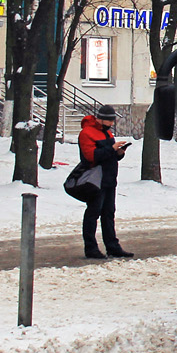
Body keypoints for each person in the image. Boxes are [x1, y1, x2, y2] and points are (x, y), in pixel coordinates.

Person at [78, 104, 133, 259]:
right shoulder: (86, 133)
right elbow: (91, 156)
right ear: (101, 120)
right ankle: (91, 248)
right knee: (93, 213)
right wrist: (112, 148)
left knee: (108, 214)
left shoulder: (107, 134)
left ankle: (112, 246)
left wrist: (119, 153)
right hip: (95, 181)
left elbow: (109, 155)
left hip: (109, 179)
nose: (112, 124)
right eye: (110, 121)